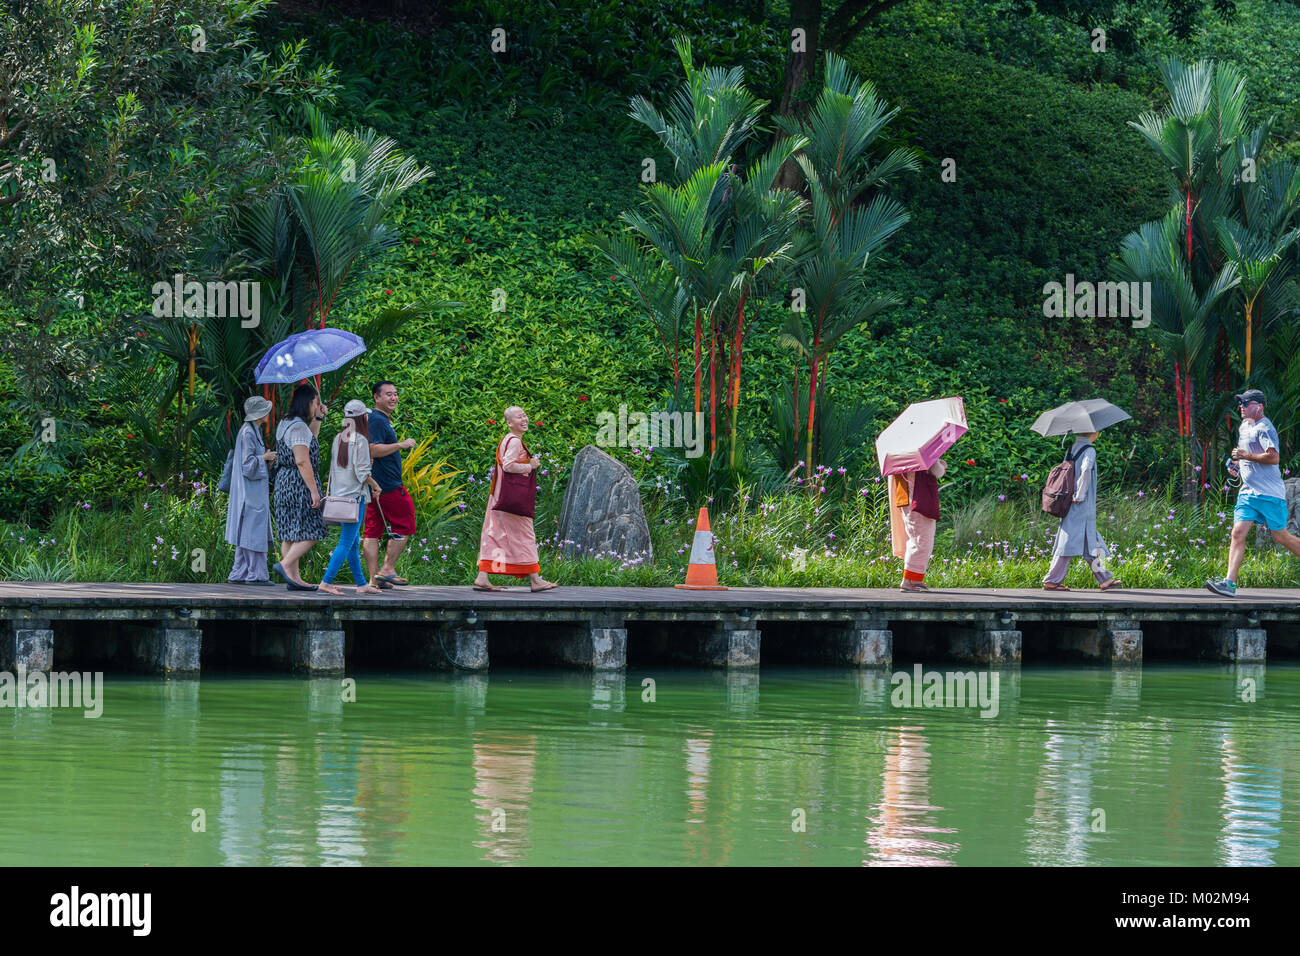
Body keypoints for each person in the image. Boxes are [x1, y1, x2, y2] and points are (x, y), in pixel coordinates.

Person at [1207, 389, 1300, 596]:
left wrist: (1246, 455)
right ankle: (1229, 583)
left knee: (1282, 537)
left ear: (1259, 406)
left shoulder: (1265, 428)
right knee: (1237, 533)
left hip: (1269, 495)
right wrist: (1237, 465)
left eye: (1246, 404)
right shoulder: (1243, 426)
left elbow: (1273, 458)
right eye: (1240, 403)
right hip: (1248, 492)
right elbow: (1247, 458)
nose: (1241, 407)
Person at [474, 405, 557, 592]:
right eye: (519, 417)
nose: (524, 419)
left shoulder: (507, 440)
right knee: (525, 534)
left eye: (525, 415)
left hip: (499, 496)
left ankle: (482, 576)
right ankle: (535, 580)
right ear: (509, 423)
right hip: (510, 499)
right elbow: (509, 466)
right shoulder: (514, 442)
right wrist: (531, 466)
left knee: (493, 534)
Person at [318, 400, 384, 596]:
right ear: (363, 417)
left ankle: (362, 584)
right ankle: (326, 581)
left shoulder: (339, 438)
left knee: (353, 542)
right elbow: (362, 473)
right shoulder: (361, 440)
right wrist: (376, 485)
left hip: (340, 498)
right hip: (354, 499)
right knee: (346, 542)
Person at [1042, 431, 1123, 591]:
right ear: (1093, 432)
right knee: (1068, 542)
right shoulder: (1089, 450)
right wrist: (1079, 495)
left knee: (1090, 543)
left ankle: (1104, 578)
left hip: (1068, 500)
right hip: (1081, 503)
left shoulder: (1072, 448)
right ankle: (1051, 580)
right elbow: (1085, 471)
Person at [272, 383, 328, 591]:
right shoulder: (298, 428)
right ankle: (285, 565)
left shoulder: (286, 422)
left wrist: (318, 419)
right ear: (308, 403)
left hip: (283, 482)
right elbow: (302, 460)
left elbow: (309, 439)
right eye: (316, 402)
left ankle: (293, 578)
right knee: (315, 529)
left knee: (289, 531)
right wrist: (314, 490)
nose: (317, 405)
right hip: (298, 483)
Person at [362, 380, 418, 589]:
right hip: (387, 485)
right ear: (376, 397)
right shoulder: (377, 420)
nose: (393, 398)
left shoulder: (378, 419)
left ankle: (374, 579)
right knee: (405, 523)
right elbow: (372, 449)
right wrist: (400, 445)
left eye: (395, 394)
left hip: (375, 485)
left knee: (372, 531)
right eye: (388, 394)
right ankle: (387, 569)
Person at [225, 395, 277, 585]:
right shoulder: (248, 432)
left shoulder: (252, 431)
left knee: (248, 531)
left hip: (254, 491)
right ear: (260, 413)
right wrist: (264, 457)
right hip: (250, 492)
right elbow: (248, 466)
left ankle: (239, 573)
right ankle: (257, 575)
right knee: (253, 531)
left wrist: (265, 458)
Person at [889, 459, 946, 591]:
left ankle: (915, 579)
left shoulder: (901, 454)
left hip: (906, 497)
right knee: (921, 540)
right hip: (918, 499)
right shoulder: (921, 451)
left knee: (917, 537)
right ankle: (907, 581)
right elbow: (937, 471)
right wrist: (941, 464)